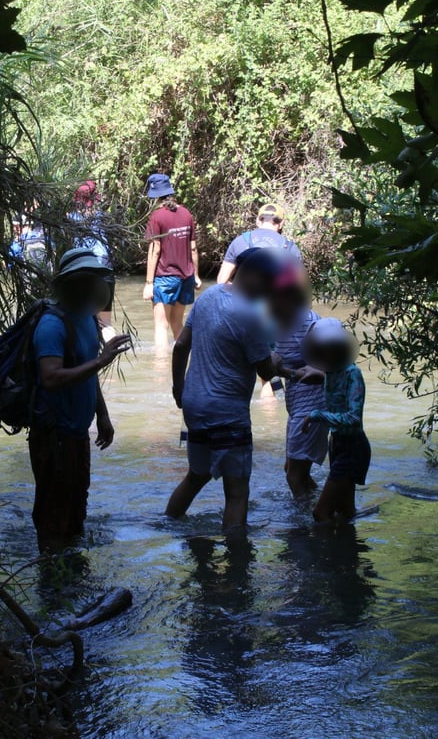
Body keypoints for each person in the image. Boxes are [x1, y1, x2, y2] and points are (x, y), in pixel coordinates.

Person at [165, 247, 284, 533]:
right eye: (268, 286)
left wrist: (179, 388)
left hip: (195, 406)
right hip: (227, 412)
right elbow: (265, 371)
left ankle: (167, 524)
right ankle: (236, 562)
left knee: (196, 475)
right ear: (254, 277)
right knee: (237, 491)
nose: (269, 294)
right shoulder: (249, 316)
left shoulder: (207, 297)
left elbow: (181, 345)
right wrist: (278, 361)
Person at [30, 248, 132, 551]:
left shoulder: (87, 319)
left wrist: (103, 415)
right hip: (53, 433)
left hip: (77, 432)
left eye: (96, 279)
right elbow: (50, 377)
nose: (93, 285)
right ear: (71, 283)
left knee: (76, 507)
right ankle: (51, 581)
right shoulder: (52, 324)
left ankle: (73, 580)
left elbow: (86, 372)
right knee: (53, 511)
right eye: (87, 279)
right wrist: (101, 361)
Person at [299, 318, 370, 522]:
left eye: (329, 348)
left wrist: (317, 415)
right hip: (337, 444)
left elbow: (353, 418)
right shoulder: (331, 372)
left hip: (353, 447)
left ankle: (325, 553)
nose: (324, 353)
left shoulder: (352, 374)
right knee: (345, 512)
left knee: (320, 513)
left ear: (339, 348)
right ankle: (348, 551)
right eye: (321, 349)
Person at [270, 271, 328, 499]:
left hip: (313, 406)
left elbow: (336, 368)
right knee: (294, 471)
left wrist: (284, 371)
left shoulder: (313, 324)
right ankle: (322, 503)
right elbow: (269, 365)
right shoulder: (276, 323)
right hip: (296, 406)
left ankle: (307, 527)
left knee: (294, 476)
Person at [142, 174, 200, 349]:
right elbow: (193, 248)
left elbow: (155, 249)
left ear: (154, 196)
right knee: (177, 324)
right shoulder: (186, 213)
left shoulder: (157, 217)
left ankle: (160, 373)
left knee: (161, 326)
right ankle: (182, 367)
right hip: (186, 277)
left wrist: (149, 283)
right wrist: (196, 275)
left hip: (165, 278)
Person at [68, 180, 116, 338]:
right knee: (105, 323)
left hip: (85, 271)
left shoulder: (71, 219)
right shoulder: (103, 218)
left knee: (83, 321)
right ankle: (111, 352)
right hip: (105, 269)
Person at [216, 204, 301, 285]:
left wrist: (237, 289)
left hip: (242, 297)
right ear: (281, 223)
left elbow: (221, 282)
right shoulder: (290, 247)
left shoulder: (240, 241)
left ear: (258, 221)